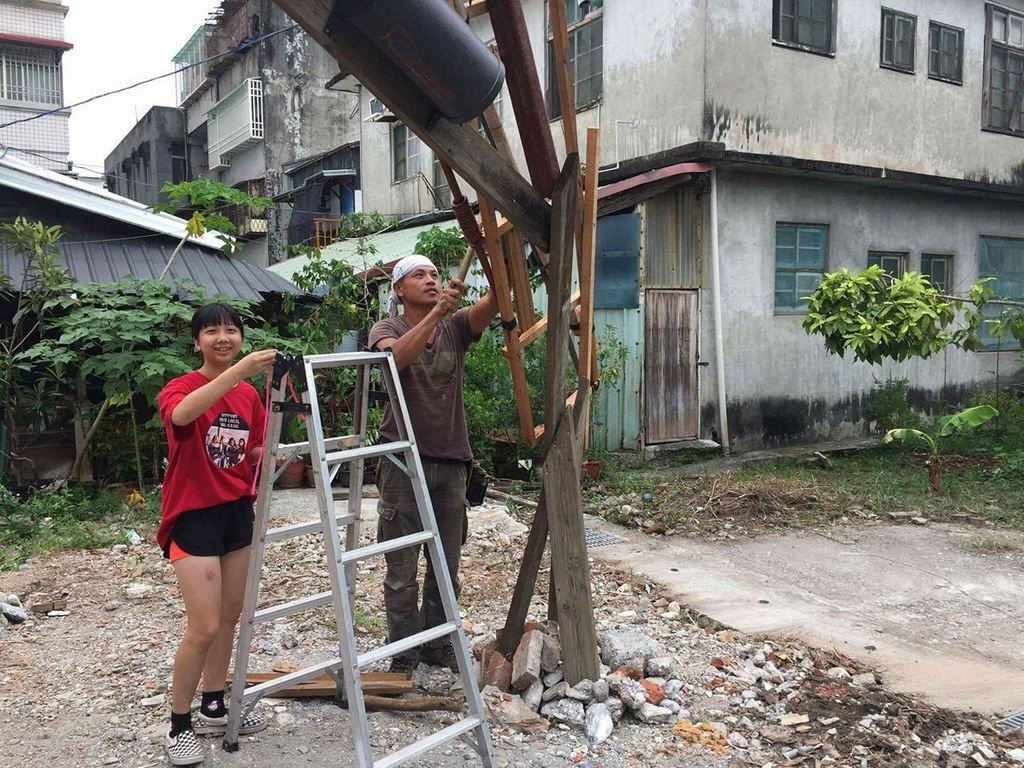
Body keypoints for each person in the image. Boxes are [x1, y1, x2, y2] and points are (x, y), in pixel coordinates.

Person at [156, 302, 277, 766]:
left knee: (230, 616)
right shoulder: (181, 387)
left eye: (231, 330)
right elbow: (184, 417)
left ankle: (213, 703)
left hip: (235, 513)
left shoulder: (249, 395)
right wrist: (239, 371)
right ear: (197, 342)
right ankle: (178, 724)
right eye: (212, 332)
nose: (223, 338)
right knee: (203, 625)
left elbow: (255, 447)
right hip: (193, 516)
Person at [368, 254, 498, 674]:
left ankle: (437, 643)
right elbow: (396, 360)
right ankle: (404, 652)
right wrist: (437, 314)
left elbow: (498, 302)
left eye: (434, 275)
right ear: (399, 289)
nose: (430, 280)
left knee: (446, 564)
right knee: (402, 567)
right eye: (418, 275)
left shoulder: (457, 326)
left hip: (452, 460)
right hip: (402, 461)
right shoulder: (386, 329)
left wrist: (493, 254)